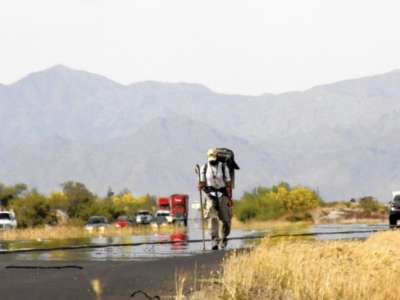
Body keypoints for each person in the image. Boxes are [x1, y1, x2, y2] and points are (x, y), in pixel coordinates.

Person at [198, 148, 233, 250]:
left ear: (217, 157)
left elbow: (228, 183)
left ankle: (224, 238)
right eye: (210, 159)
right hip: (210, 196)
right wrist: (200, 185)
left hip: (222, 195)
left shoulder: (223, 167)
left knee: (226, 220)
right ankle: (214, 240)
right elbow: (202, 183)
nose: (212, 161)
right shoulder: (203, 168)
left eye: (214, 159)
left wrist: (230, 198)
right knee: (212, 218)